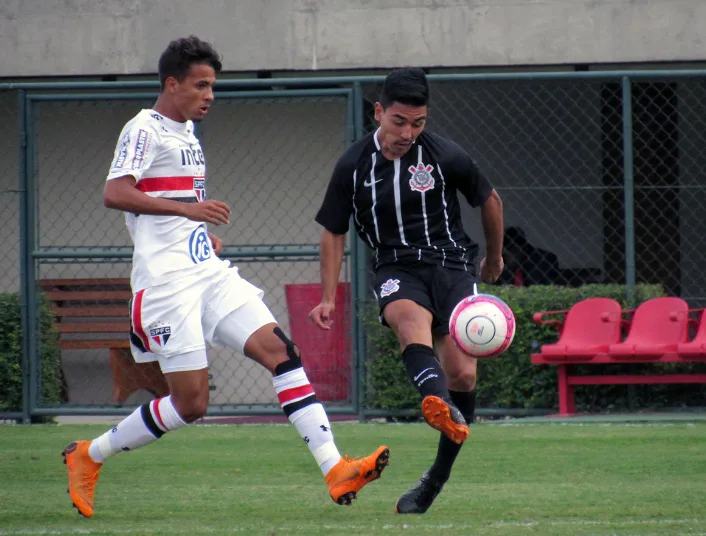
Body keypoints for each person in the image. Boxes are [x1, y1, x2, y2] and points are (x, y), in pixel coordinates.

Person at [61, 35, 389, 519]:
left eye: (212, 86)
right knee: (191, 404)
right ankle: (89, 455)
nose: (209, 95)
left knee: (281, 351)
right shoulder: (144, 128)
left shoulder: (189, 133)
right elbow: (115, 192)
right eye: (201, 85)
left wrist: (197, 230)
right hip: (167, 285)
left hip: (206, 272)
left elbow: (169, 207)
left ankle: (336, 467)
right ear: (172, 84)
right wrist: (187, 210)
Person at [309, 68, 504, 514]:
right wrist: (327, 295)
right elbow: (333, 231)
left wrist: (494, 258)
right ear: (379, 112)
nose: (407, 132)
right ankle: (437, 403)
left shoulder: (443, 154)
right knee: (409, 320)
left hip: (452, 263)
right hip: (397, 266)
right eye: (398, 121)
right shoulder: (352, 165)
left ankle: (434, 479)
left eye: (418, 123)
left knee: (465, 376)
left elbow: (489, 199)